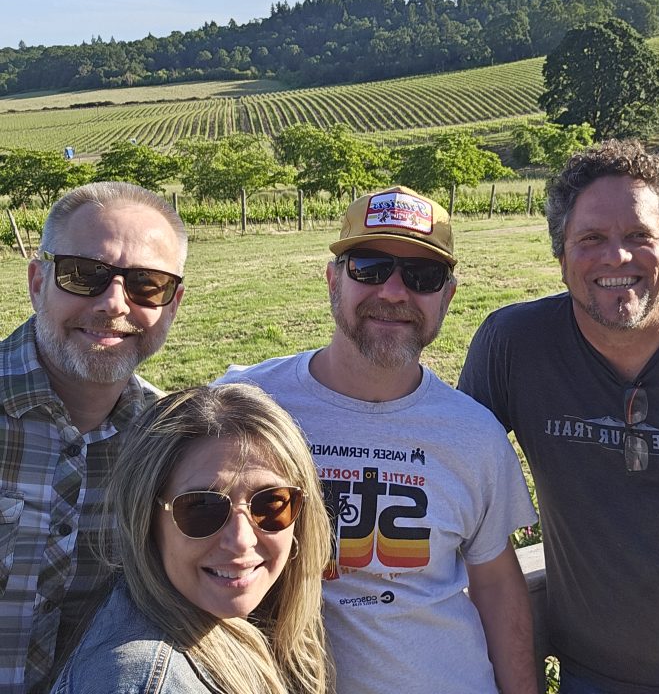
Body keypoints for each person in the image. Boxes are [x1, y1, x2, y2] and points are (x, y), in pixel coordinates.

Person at [459, 139, 659, 694]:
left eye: (639, 236)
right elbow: (455, 479)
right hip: (589, 676)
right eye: (591, 239)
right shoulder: (515, 346)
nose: (616, 258)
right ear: (561, 253)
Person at [219, 185, 539, 694]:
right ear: (332, 281)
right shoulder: (245, 404)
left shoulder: (475, 434)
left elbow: (497, 586)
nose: (393, 293)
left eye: (423, 276)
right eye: (369, 267)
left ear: (447, 296)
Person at [1, 181, 188, 694]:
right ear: (38, 281)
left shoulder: (167, 442)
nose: (113, 303)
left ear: (172, 304)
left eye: (146, 284)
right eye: (84, 275)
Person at [50, 383, 334, 694]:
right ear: (146, 518)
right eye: (202, 508)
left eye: (271, 504)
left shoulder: (262, 629)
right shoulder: (147, 682)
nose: (241, 540)